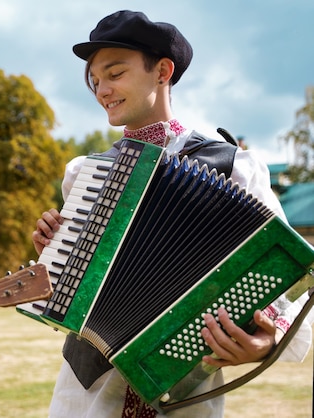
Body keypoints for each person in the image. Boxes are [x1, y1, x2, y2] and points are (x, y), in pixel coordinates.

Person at [31, 10, 312, 418]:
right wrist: (56, 253)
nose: (101, 89)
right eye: (94, 80)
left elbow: (290, 269)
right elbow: (72, 298)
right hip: (87, 392)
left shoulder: (234, 167)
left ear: (162, 71)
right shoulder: (84, 174)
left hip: (185, 390)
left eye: (115, 73)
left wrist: (266, 343)